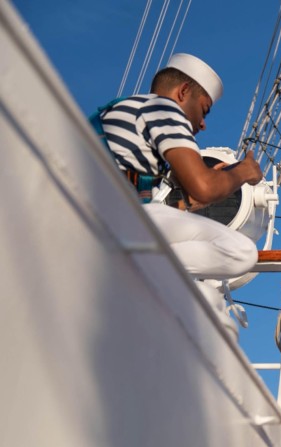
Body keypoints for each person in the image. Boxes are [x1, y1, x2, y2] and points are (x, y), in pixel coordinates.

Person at [95, 53, 263, 323]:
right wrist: (243, 172)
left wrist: (189, 202)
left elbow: (150, 201)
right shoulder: (164, 110)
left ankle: (140, 264)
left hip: (106, 213)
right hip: (118, 222)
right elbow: (206, 188)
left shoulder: (121, 110)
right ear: (183, 92)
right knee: (242, 252)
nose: (203, 124)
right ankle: (139, 264)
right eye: (204, 110)